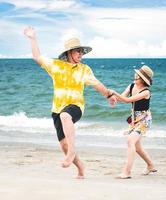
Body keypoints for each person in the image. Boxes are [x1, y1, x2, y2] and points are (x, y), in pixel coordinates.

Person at [24, 26, 116, 179]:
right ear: (69, 53)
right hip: (57, 109)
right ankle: (80, 166)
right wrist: (33, 38)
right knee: (64, 145)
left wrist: (108, 95)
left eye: (82, 51)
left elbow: (97, 84)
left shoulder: (84, 69)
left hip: (75, 106)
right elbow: (37, 57)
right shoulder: (56, 66)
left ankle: (72, 151)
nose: (81, 54)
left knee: (66, 116)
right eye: (78, 51)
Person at [109, 65, 157, 179]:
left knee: (130, 141)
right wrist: (114, 99)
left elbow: (127, 100)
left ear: (144, 80)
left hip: (144, 120)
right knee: (137, 146)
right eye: (136, 75)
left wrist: (114, 92)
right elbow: (122, 97)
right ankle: (150, 165)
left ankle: (127, 172)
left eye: (138, 76)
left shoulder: (146, 92)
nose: (135, 76)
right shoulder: (131, 86)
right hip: (134, 120)